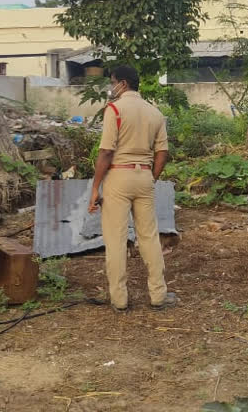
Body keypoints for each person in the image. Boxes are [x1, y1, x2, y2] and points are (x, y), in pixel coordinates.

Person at [88, 66, 178, 312]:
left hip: (118, 174)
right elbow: (163, 152)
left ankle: (119, 299)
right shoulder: (155, 112)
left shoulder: (114, 110)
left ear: (123, 84)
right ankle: (158, 295)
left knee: (116, 239)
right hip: (144, 176)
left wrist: (96, 187)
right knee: (149, 236)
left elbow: (106, 151)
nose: (112, 87)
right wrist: (152, 178)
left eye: (113, 82)